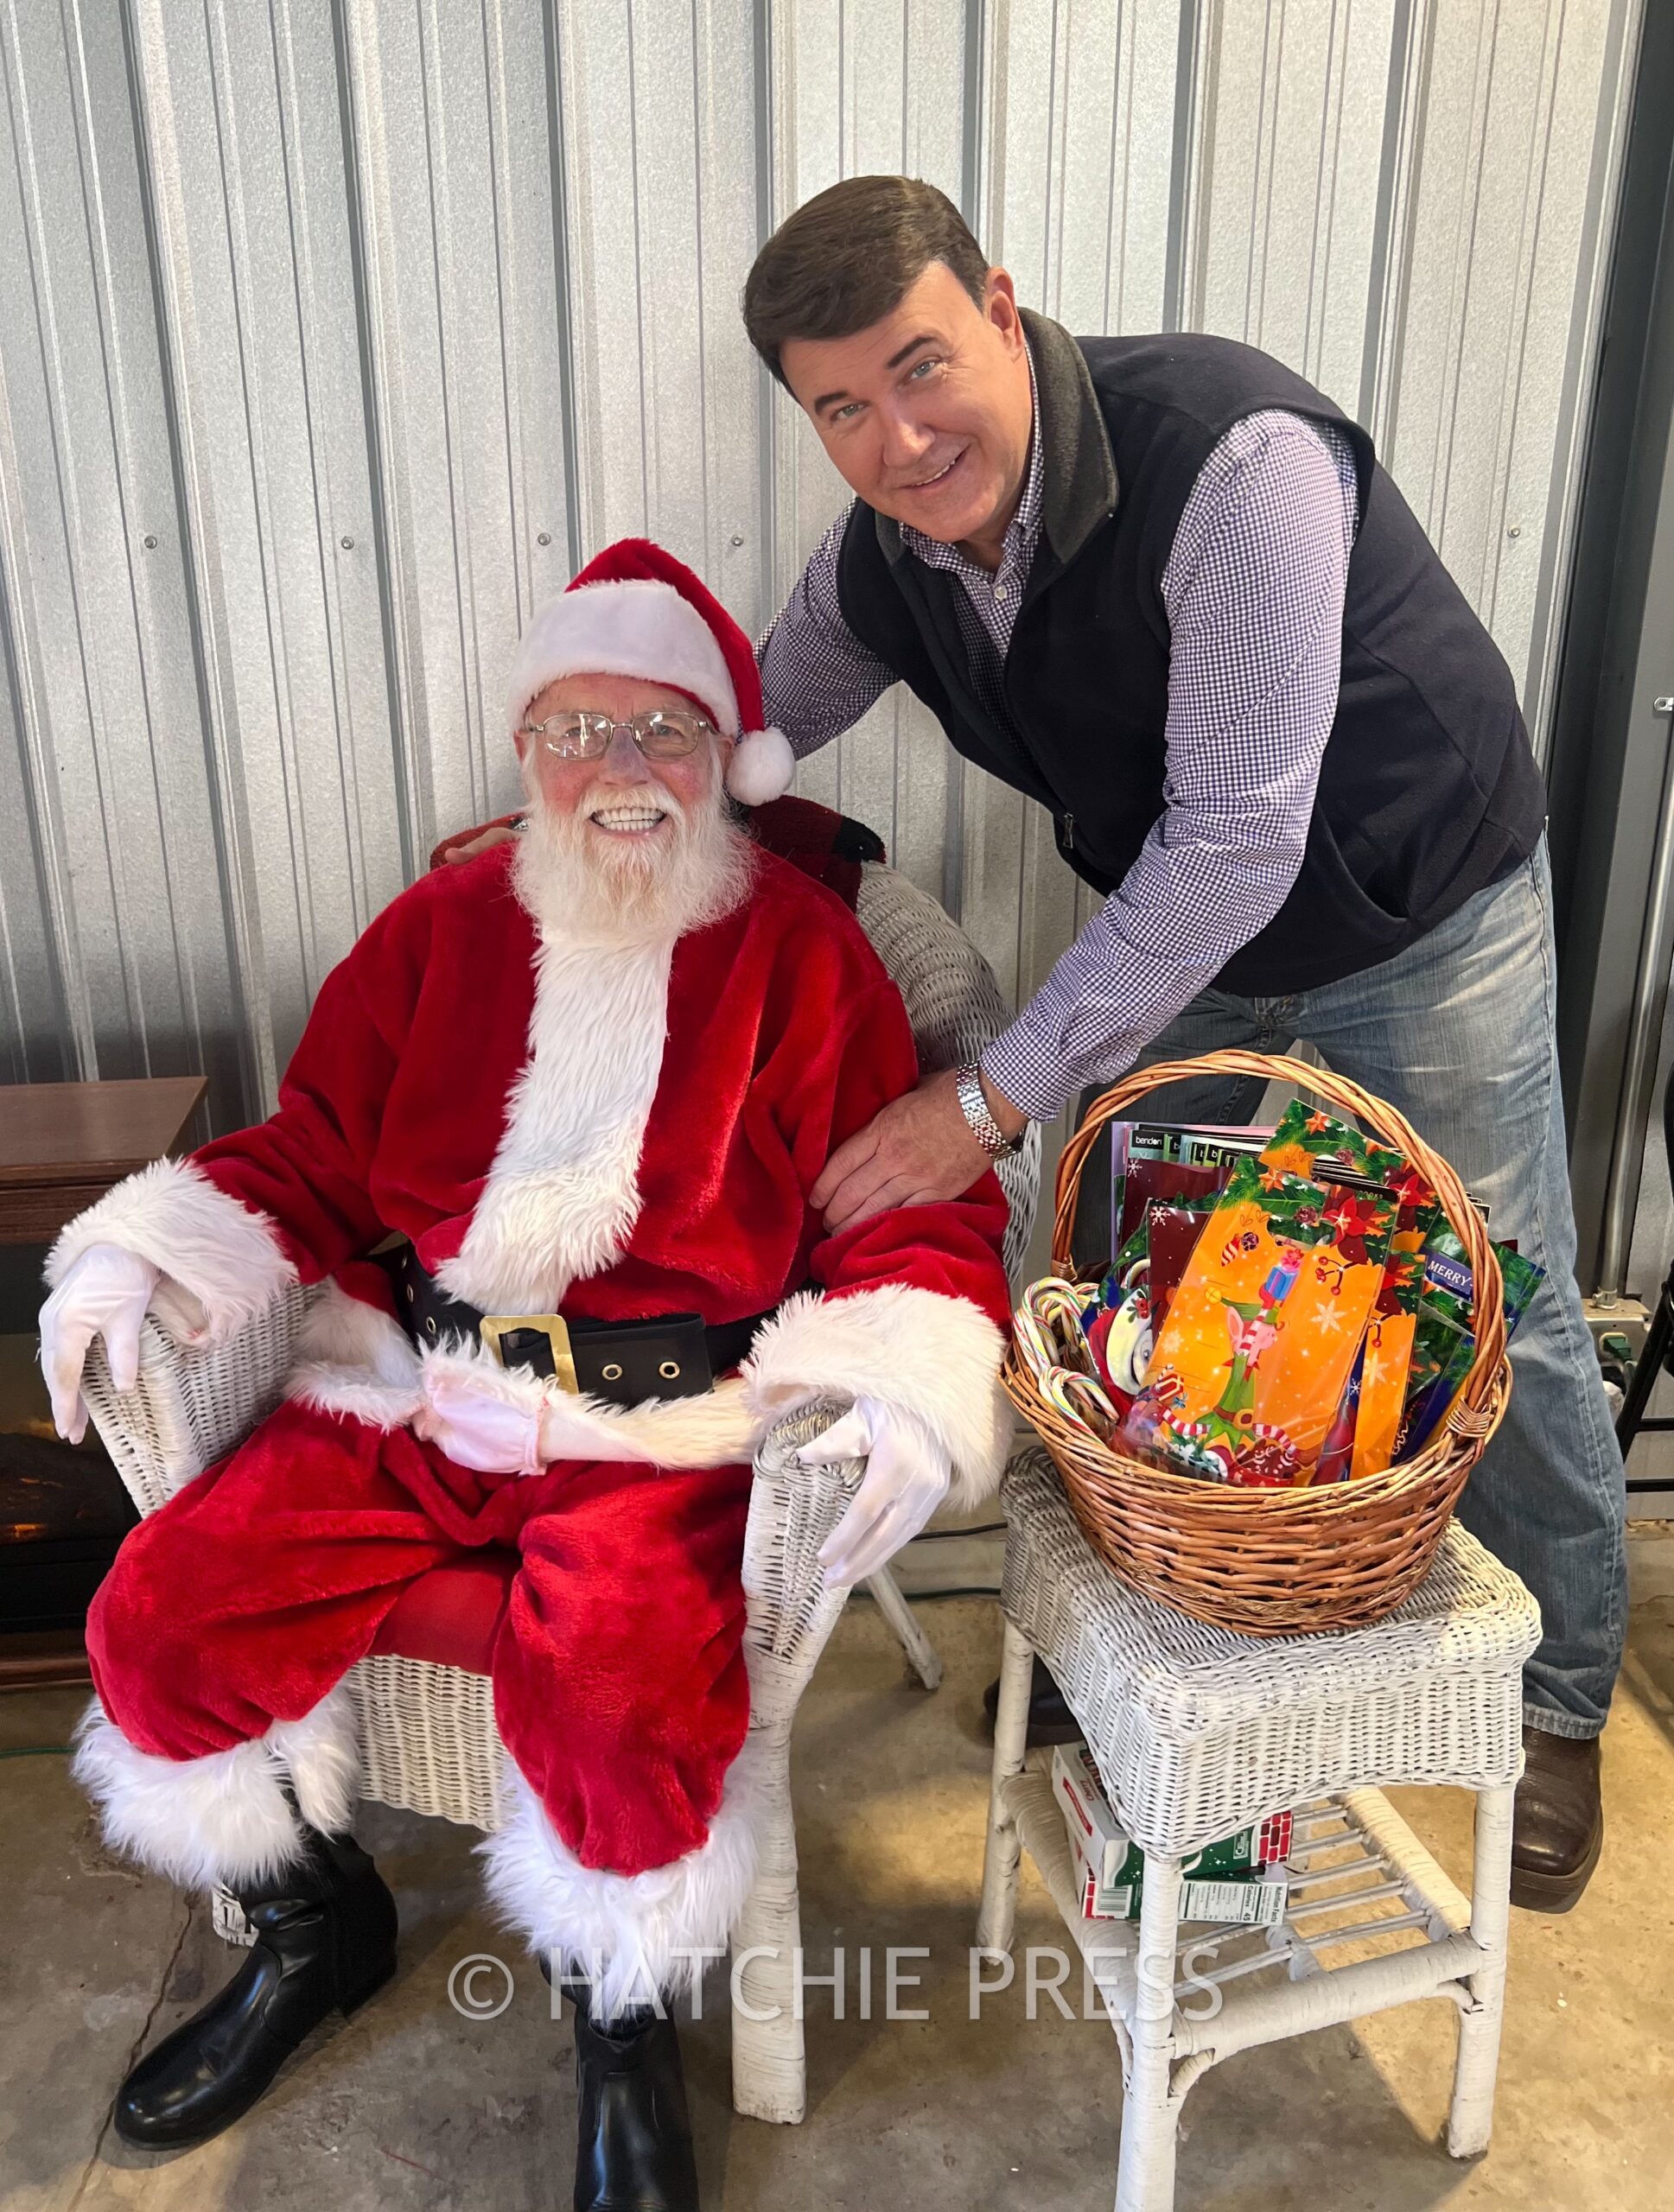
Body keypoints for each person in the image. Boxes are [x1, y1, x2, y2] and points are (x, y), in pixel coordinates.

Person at [448, 172, 1622, 1912]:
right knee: (1157, 1285)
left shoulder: (1232, 460)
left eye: (922, 365)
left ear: (1001, 309)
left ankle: (1556, 1696)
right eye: (842, 406)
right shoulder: (888, 555)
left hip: (1414, 902)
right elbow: (757, 723)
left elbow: (1233, 843)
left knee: (1494, 1276)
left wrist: (986, 1099)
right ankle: (1152, 1636)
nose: (900, 436)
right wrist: (592, 803)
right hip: (1189, 932)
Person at [38, 538, 1011, 2212]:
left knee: (622, 1704)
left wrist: (913, 1370)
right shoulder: (435, 933)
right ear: (525, 750)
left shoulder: (805, 959)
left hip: (667, 1434)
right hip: (423, 1391)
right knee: (159, 1620)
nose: (619, 768)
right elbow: (316, 1149)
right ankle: (311, 1923)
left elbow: (909, 1212)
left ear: (725, 761)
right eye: (578, 729)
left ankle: (618, 2014)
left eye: (662, 731)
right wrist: (146, 1244)